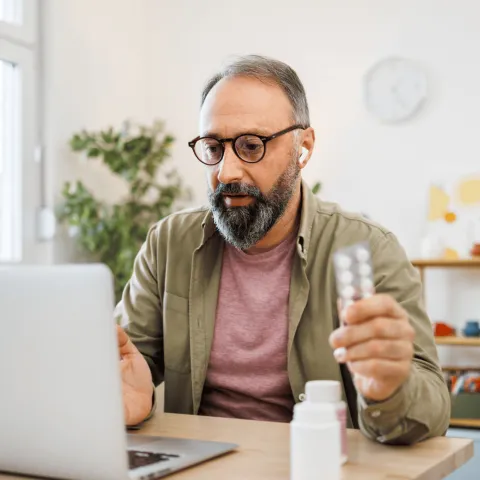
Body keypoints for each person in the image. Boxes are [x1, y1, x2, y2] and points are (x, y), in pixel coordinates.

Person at [115, 55, 450, 445]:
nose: (227, 172)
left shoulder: (369, 249)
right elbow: (129, 360)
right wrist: (119, 393)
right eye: (212, 147)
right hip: (196, 464)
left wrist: (391, 388)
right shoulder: (170, 242)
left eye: (251, 145)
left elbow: (433, 413)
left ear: (303, 148)